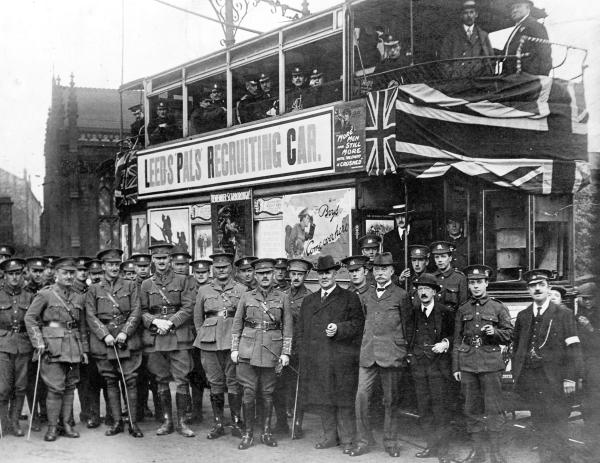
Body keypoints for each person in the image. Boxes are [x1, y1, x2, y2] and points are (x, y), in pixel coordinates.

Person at [512, 269, 583, 462]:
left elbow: (573, 347)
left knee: (558, 422)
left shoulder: (563, 313)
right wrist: (518, 373)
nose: (537, 289)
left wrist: (570, 377)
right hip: (531, 379)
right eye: (532, 286)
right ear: (528, 290)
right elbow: (517, 346)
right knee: (539, 422)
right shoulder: (523, 315)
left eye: (541, 285)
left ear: (548, 288)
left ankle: (562, 459)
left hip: (556, 379)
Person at [297, 255, 364, 453]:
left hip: (341, 358)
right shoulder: (309, 301)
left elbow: (358, 325)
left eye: (328, 273)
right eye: (321, 273)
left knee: (343, 401)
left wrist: (340, 329)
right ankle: (329, 437)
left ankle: (348, 440)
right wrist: (305, 354)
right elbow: (301, 330)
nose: (324, 277)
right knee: (323, 400)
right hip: (317, 359)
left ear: (335, 273)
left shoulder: (349, 297)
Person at [351, 252, 411, 458]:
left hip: (392, 354)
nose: (380, 273)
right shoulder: (365, 295)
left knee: (391, 400)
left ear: (393, 271)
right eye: (376, 269)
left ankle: (391, 441)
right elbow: (362, 322)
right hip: (368, 354)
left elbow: (408, 326)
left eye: (384, 269)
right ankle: (363, 441)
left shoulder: (401, 295)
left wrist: (403, 351)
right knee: (361, 397)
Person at [24, 257, 89, 442]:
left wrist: (84, 350)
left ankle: (66, 424)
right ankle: (52, 427)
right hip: (52, 347)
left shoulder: (78, 296)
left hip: (73, 346)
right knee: (55, 388)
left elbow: (82, 325)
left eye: (72, 273)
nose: (69, 276)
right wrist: (39, 343)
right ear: (56, 274)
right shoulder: (46, 294)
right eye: (65, 273)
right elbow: (30, 318)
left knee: (70, 387)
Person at [452, 265, 512, 463]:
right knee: (472, 410)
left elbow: (510, 335)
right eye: (472, 282)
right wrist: (456, 367)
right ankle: (478, 453)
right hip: (468, 364)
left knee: (494, 409)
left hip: (490, 363)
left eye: (479, 282)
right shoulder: (463, 309)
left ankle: (496, 453)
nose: (476, 286)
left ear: (486, 283)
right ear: (468, 285)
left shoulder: (497, 307)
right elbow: (457, 340)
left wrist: (494, 333)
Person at [231, 258, 293, 450]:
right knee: (248, 393)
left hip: (271, 351)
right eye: (260, 274)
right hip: (248, 350)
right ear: (255, 276)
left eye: (268, 273)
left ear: (274, 274)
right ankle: (248, 434)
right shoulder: (246, 296)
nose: (264, 277)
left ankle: (266, 432)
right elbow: (237, 324)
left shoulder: (282, 297)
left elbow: (288, 327)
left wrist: (285, 353)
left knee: (267, 393)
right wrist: (234, 348)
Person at [85, 248, 144, 438]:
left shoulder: (131, 285)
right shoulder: (94, 289)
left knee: (131, 380)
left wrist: (125, 332)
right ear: (103, 266)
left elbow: (136, 311)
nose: (114, 268)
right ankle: (117, 422)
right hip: (105, 343)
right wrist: (104, 335)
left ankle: (133, 424)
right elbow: (90, 315)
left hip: (126, 341)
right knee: (110, 381)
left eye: (117, 264)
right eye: (110, 264)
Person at [139, 241, 196, 437]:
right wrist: (154, 322)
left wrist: (171, 323)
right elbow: (142, 311)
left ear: (170, 259)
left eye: (164, 258)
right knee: (160, 378)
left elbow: (188, 307)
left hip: (178, 336)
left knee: (181, 379)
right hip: (156, 337)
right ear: (153, 260)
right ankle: (166, 421)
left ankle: (182, 422)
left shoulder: (183, 281)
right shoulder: (146, 284)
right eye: (157, 258)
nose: (161, 262)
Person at [193, 251, 246, 439]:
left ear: (231, 268)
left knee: (234, 381)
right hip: (209, 342)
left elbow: (245, 316)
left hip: (233, 340)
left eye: (225, 267)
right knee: (215, 381)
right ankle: (218, 424)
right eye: (217, 267)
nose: (221, 270)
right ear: (213, 269)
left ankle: (237, 423)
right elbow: (198, 318)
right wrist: (204, 334)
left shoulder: (241, 290)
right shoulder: (204, 290)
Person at [406, 273, 454, 462]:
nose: (423, 292)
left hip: (438, 367)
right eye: (420, 289)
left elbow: (455, 336)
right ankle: (430, 446)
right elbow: (409, 335)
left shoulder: (446, 312)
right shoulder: (414, 312)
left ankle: (443, 449)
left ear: (434, 292)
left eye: (427, 289)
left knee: (440, 408)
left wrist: (445, 343)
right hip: (419, 366)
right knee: (424, 408)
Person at [0, 258, 34, 437]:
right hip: (3, 345)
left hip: (23, 344)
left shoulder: (29, 296)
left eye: (17, 273)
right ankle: (3, 423)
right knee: (3, 388)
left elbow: (34, 320)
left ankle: (15, 422)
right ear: (4, 276)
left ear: (22, 275)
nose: (14, 277)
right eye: (10, 274)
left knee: (20, 386)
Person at [282, 258, 313, 439]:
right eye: (293, 274)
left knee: (298, 386)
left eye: (299, 275)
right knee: (282, 384)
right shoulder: (282, 294)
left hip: (299, 347)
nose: (295, 278)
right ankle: (282, 420)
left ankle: (297, 423)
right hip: (283, 346)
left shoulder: (309, 297)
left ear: (305, 276)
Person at [73, 256, 104, 430]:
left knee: (100, 377)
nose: (83, 273)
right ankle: (88, 413)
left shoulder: (93, 289)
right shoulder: (73, 291)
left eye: (86, 270)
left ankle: (96, 413)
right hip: (82, 338)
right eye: (80, 270)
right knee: (85, 379)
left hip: (98, 338)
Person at [440, 0, 494, 79]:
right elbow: (444, 59)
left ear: (476, 14)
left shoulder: (483, 35)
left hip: (478, 81)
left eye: (472, 12)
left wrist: (484, 75)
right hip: (458, 80)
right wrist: (452, 74)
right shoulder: (452, 36)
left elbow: (491, 59)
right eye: (466, 13)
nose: (469, 16)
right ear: (461, 15)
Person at [575, 282, 600, 452]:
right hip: (582, 360)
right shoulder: (578, 313)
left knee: (594, 398)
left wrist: (589, 327)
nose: (587, 302)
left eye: (590, 298)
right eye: (584, 299)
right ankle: (589, 433)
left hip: (595, 362)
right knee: (585, 400)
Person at [502, 0, 552, 76]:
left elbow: (545, 53)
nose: (514, 10)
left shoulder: (535, 26)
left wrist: (542, 77)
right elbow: (507, 53)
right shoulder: (518, 28)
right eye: (512, 9)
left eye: (518, 7)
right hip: (513, 77)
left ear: (528, 8)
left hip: (528, 77)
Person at [430, 241, 468, 312]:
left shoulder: (460, 278)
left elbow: (463, 307)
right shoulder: (430, 278)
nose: (440, 260)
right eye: (437, 257)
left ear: (450, 258)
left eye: (443, 256)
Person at [383, 204, 412, 275]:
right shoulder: (388, 236)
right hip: (396, 277)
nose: (400, 220)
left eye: (403, 216)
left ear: (409, 217)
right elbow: (387, 260)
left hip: (413, 277)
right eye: (397, 217)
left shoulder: (419, 234)